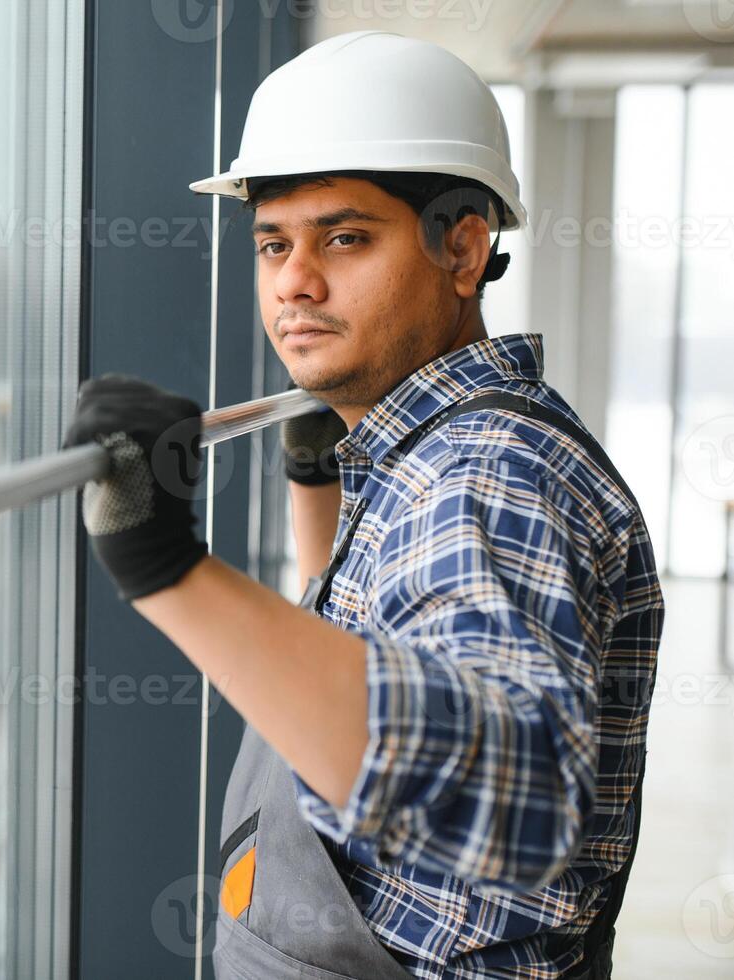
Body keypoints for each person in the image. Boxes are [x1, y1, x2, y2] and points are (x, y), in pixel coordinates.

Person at [62, 31, 663, 979]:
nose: (295, 283)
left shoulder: (486, 472)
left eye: (344, 237)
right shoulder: (428, 449)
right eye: (272, 244)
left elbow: (511, 810)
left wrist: (164, 567)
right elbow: (382, 656)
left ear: (462, 247)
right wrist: (320, 484)